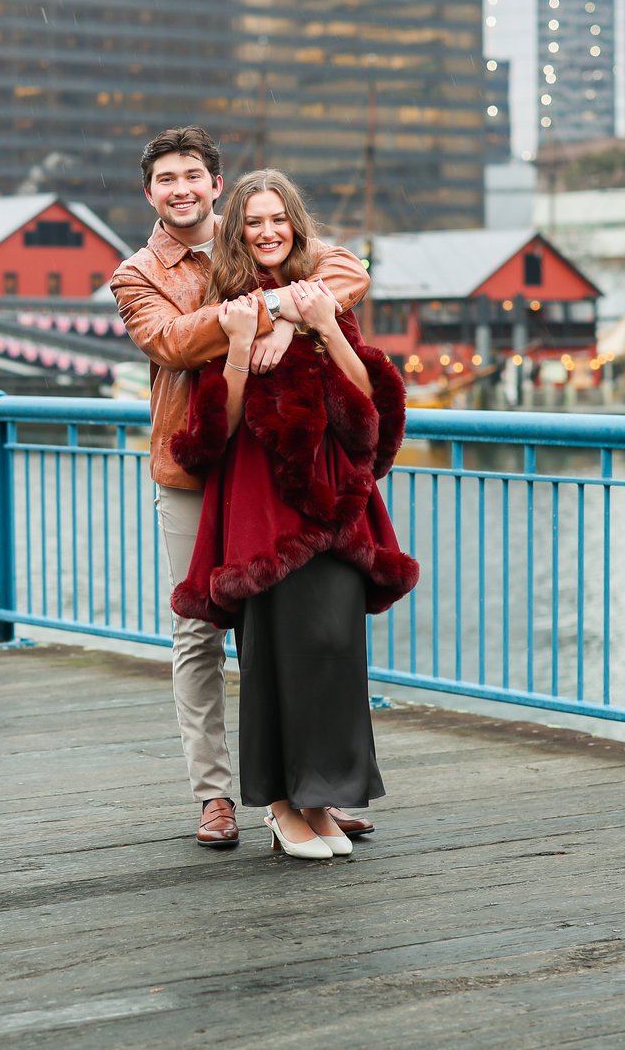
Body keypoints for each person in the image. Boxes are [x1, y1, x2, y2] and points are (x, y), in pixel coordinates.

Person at [111, 127, 375, 851]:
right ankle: (216, 794)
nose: (182, 189)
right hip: (194, 466)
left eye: (192, 175)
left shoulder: (259, 228)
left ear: (215, 183)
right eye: (167, 179)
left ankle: (308, 786)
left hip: (266, 465)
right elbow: (172, 342)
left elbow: (347, 270)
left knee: (286, 626)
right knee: (200, 630)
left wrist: (283, 314)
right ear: (149, 193)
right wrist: (277, 310)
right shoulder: (137, 273)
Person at [169, 169, 418, 860]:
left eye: (278, 218)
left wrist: (321, 326)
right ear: (237, 230)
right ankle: (281, 808)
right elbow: (211, 435)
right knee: (272, 654)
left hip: (334, 503)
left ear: (295, 223)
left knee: (334, 648)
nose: (268, 231)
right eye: (253, 221)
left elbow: (370, 412)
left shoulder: (322, 293)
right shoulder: (226, 306)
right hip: (260, 505)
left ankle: (321, 797)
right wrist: (241, 348)